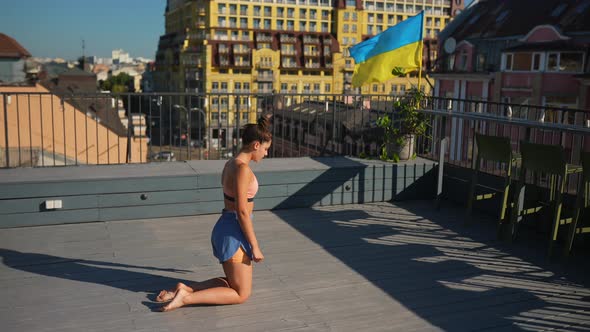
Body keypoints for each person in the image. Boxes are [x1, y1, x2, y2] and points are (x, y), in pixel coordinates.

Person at [157, 116, 272, 312]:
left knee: (232, 283)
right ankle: (186, 298)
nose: (266, 153)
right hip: (234, 232)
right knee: (241, 294)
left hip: (226, 227)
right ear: (255, 145)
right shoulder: (242, 170)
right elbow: (242, 211)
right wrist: (255, 246)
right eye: (265, 148)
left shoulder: (231, 164)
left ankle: (185, 288)